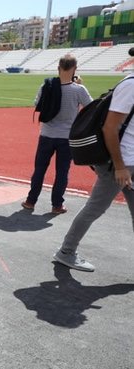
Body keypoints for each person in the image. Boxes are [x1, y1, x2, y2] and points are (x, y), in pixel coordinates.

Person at [53, 74, 134, 272]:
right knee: (95, 208)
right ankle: (66, 251)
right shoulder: (131, 85)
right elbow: (109, 128)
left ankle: (66, 251)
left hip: (129, 161)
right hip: (118, 164)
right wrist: (120, 166)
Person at [22, 55, 92, 214]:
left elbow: (36, 104)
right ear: (75, 69)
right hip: (66, 137)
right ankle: (57, 205)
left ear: (58, 68)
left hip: (46, 135)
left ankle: (30, 201)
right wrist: (79, 85)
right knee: (62, 172)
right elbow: (90, 107)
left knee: (39, 169)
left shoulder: (46, 86)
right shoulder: (78, 89)